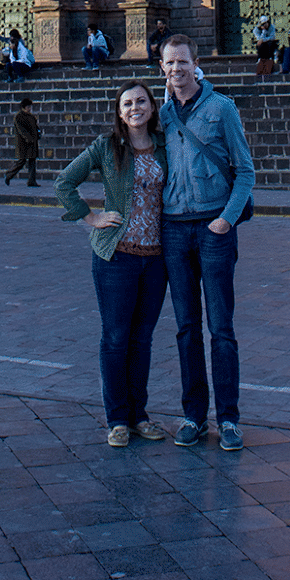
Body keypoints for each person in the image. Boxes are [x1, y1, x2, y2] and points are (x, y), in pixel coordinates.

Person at [55, 79, 170, 447]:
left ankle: (140, 415)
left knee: (143, 339)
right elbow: (64, 182)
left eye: (140, 101)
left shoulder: (165, 146)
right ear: (119, 113)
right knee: (116, 338)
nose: (134, 108)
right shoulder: (107, 146)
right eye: (127, 104)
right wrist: (89, 217)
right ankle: (117, 419)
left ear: (152, 107)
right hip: (116, 257)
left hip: (155, 259)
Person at [158, 34, 255, 452]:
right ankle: (194, 416)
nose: (177, 69)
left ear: (196, 63)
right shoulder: (160, 115)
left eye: (183, 62)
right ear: (162, 68)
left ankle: (228, 419)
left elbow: (246, 171)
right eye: (169, 63)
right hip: (175, 230)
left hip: (213, 230)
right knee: (185, 329)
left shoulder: (222, 108)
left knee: (221, 328)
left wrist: (225, 220)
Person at [5, 98, 41, 186]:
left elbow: (35, 127)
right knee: (21, 161)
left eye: (30, 107)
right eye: (28, 107)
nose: (29, 108)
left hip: (32, 142)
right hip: (23, 143)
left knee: (32, 161)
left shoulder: (31, 116)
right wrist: (29, 138)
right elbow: (21, 130)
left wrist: (38, 134)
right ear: (24, 107)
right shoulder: (19, 116)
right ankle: (9, 174)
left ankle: (31, 181)